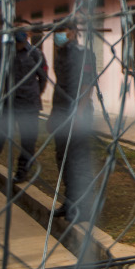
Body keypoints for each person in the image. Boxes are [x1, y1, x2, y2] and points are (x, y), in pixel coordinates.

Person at [0, 30, 48, 184]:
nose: (19, 44)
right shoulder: (7, 54)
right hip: (9, 104)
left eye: (21, 40)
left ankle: (21, 173)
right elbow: (2, 79)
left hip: (29, 104)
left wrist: (34, 94)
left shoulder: (36, 54)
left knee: (28, 141)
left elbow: (43, 78)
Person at [48, 21, 98, 222]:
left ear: (74, 32)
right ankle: (70, 202)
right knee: (63, 158)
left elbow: (87, 85)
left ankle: (83, 209)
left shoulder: (83, 53)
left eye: (63, 31)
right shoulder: (60, 53)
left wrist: (78, 113)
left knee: (78, 159)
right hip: (60, 112)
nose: (59, 35)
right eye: (56, 32)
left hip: (78, 113)